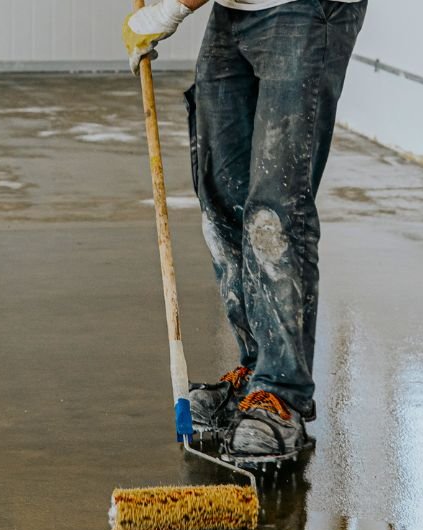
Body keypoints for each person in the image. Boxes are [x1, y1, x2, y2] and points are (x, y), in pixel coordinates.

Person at [124, 0, 366, 462]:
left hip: (305, 9)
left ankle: (282, 396)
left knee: (274, 213)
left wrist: (173, 8)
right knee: (222, 199)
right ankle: (257, 372)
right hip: (236, 7)